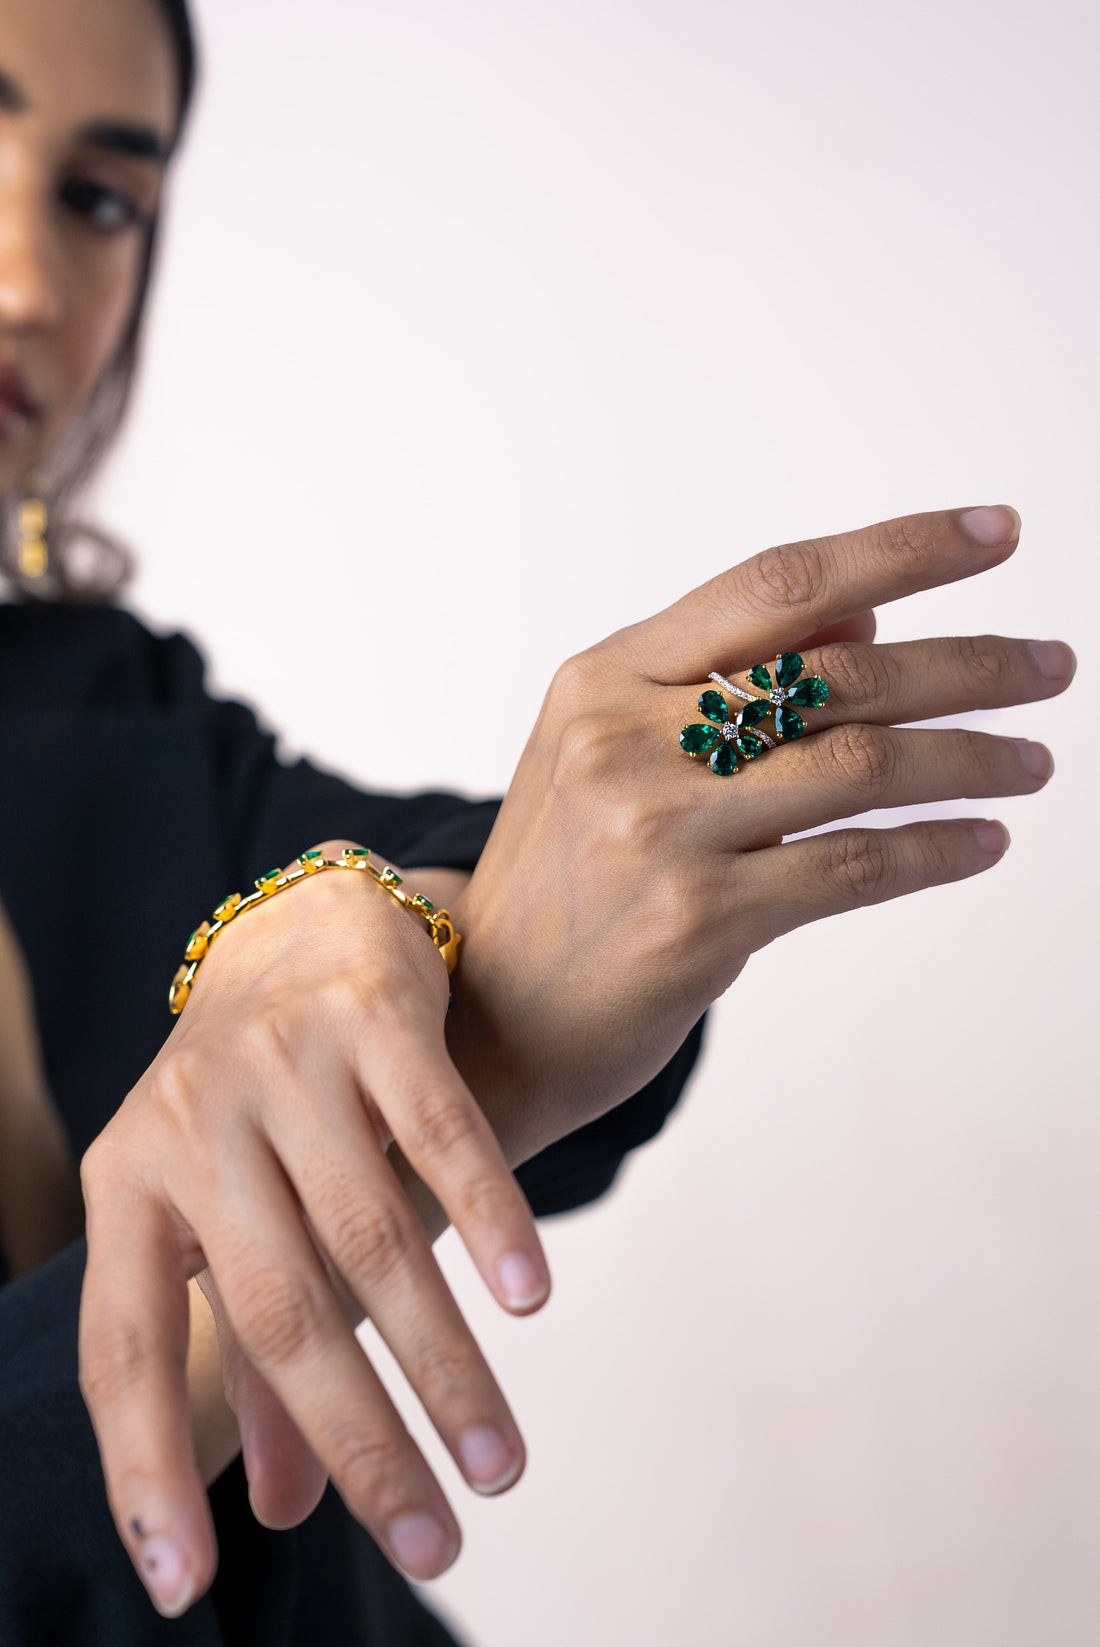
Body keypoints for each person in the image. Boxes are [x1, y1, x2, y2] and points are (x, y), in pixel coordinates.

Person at [0, 0, 1075, 1641]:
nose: (28, 282)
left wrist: (375, 935)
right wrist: (418, 1118)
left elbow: (517, 887)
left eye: (99, 199)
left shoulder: (112, 708)